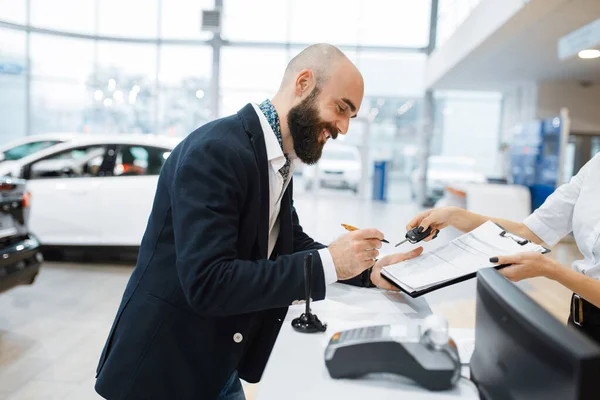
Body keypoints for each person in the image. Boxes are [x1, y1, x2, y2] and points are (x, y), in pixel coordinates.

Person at [94, 43, 421, 400]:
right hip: (163, 371)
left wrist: (365, 270)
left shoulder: (276, 159)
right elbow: (209, 283)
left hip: (216, 362)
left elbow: (289, 241)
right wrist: (328, 263)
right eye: (341, 108)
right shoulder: (217, 151)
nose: (343, 127)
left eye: (350, 116)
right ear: (304, 83)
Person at [405, 152, 600, 344]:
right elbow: (526, 231)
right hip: (582, 321)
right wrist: (454, 216)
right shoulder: (595, 167)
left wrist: (550, 269)